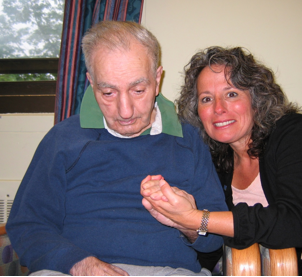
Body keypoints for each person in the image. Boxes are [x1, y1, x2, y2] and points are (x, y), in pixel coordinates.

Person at [6, 22, 228, 276]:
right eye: (109, 92)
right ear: (91, 83)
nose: (125, 111)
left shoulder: (188, 139)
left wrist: (188, 220)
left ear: (157, 80)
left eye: (138, 90)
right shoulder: (63, 139)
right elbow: (28, 225)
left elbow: (214, 239)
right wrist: (79, 264)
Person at [141, 46, 302, 276]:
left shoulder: (295, 133)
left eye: (231, 94)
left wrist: (198, 218)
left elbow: (293, 224)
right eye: (206, 99)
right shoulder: (216, 163)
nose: (218, 108)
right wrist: (186, 225)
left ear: (256, 99)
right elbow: (212, 253)